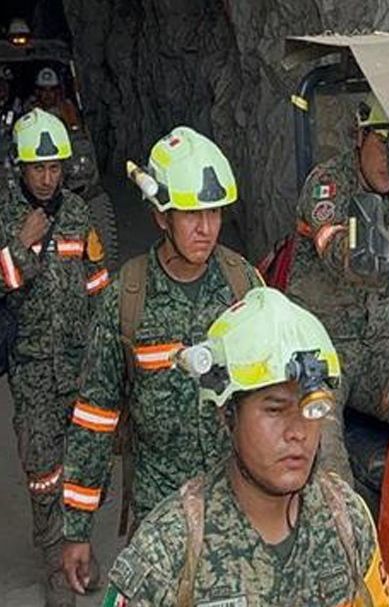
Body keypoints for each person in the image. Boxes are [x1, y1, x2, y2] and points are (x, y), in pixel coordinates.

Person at [58, 126, 275, 594]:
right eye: (191, 214)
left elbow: (277, 398)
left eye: (214, 212)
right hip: (160, 514)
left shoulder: (245, 287)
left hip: (240, 508)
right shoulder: (127, 299)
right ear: (161, 216)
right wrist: (76, 530)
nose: (206, 228)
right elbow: (95, 417)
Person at [100, 287, 389, 606]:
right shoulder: (168, 552)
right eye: (275, 409)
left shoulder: (346, 519)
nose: (297, 432)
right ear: (228, 416)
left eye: (311, 407)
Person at [0, 108, 109, 606]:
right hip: (32, 367)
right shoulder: (5, 216)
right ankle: (52, 559)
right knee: (44, 469)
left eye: (54, 168)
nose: (47, 178)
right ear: (19, 167)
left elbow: (97, 281)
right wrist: (21, 246)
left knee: (84, 465)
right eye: (37, 168)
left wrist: (105, 339)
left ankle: (76, 550)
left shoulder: (80, 214)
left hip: (79, 360)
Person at [287, 92, 389, 447]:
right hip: (324, 344)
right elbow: (341, 255)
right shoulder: (328, 186)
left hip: (379, 343)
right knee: (323, 450)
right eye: (383, 145)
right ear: (359, 136)